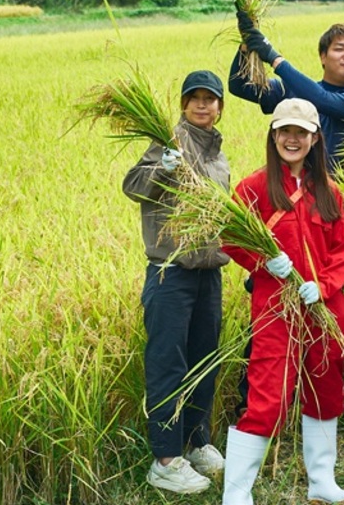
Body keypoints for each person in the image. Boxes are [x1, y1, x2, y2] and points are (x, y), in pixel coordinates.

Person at [221, 99, 344, 505]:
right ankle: (237, 493)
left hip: (325, 309)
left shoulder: (328, 191)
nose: (292, 139)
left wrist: (326, 285)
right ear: (274, 135)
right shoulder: (253, 187)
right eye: (285, 131)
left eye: (301, 132)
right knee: (268, 396)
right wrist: (263, 260)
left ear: (315, 138)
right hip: (275, 308)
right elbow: (230, 238)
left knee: (326, 391)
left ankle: (322, 483)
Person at [122, 70, 230, 495]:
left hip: (209, 273)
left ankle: (196, 441)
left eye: (211, 98)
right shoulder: (167, 144)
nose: (203, 105)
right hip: (171, 274)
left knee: (205, 360)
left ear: (221, 106)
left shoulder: (218, 154)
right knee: (169, 365)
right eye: (195, 98)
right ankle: (165, 460)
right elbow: (133, 187)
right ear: (183, 104)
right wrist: (164, 169)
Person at [232, 16, 344, 173]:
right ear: (323, 57)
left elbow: (323, 100)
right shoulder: (295, 91)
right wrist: (247, 42)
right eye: (339, 49)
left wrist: (275, 59)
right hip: (295, 192)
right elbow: (239, 85)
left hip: (341, 194)